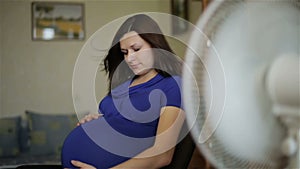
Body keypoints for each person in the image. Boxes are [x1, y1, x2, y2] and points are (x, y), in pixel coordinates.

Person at [61, 14, 185, 169]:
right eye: (125, 52)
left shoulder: (172, 85)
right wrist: (96, 120)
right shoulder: (122, 86)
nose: (129, 58)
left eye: (136, 49)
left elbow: (162, 155)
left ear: (155, 45)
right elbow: (116, 128)